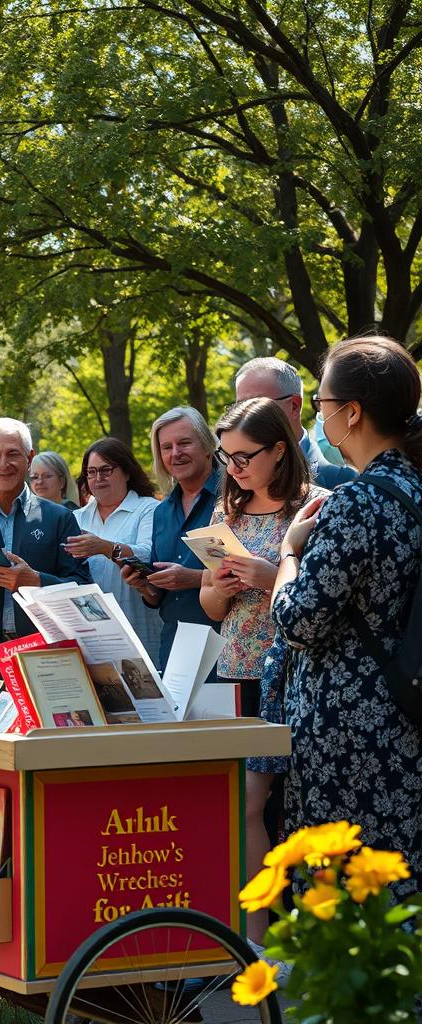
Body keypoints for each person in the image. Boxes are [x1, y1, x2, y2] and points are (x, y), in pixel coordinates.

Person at [270, 336, 422, 902]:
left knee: (344, 899)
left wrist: (289, 551)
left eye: (319, 402)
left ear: (351, 412)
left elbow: (296, 621)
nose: (318, 413)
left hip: (349, 731)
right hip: (403, 714)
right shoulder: (412, 489)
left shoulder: (358, 503)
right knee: (398, 894)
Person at [198, 398, 324, 941]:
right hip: (237, 671)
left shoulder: (317, 507)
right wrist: (220, 588)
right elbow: (208, 605)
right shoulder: (225, 513)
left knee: (300, 804)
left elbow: (326, 600)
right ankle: (255, 937)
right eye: (226, 458)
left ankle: (308, 935)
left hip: (299, 674)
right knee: (245, 802)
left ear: (280, 449)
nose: (235, 468)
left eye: (244, 456)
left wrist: (273, 573)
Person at [0, 417, 91, 689]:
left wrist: (36, 581)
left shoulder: (59, 518)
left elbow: (81, 588)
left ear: (29, 457)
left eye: (12, 454)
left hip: (45, 655)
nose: (3, 464)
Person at [121, 407, 221, 671]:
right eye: (167, 447)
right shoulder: (162, 511)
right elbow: (159, 596)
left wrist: (192, 578)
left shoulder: (233, 499)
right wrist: (144, 585)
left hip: (223, 650)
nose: (175, 453)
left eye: (184, 443)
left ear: (208, 445)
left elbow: (248, 576)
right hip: (175, 649)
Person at [66, 438, 162, 662]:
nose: (98, 479)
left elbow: (149, 555)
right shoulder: (74, 518)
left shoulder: (149, 509)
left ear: (127, 472)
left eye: (106, 470)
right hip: (90, 639)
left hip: (140, 632)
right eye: (91, 472)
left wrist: (104, 547)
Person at [235, 356, 356, 488]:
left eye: (257, 404)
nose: (246, 414)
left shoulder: (343, 480)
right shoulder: (231, 476)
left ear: (294, 405)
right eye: (240, 405)